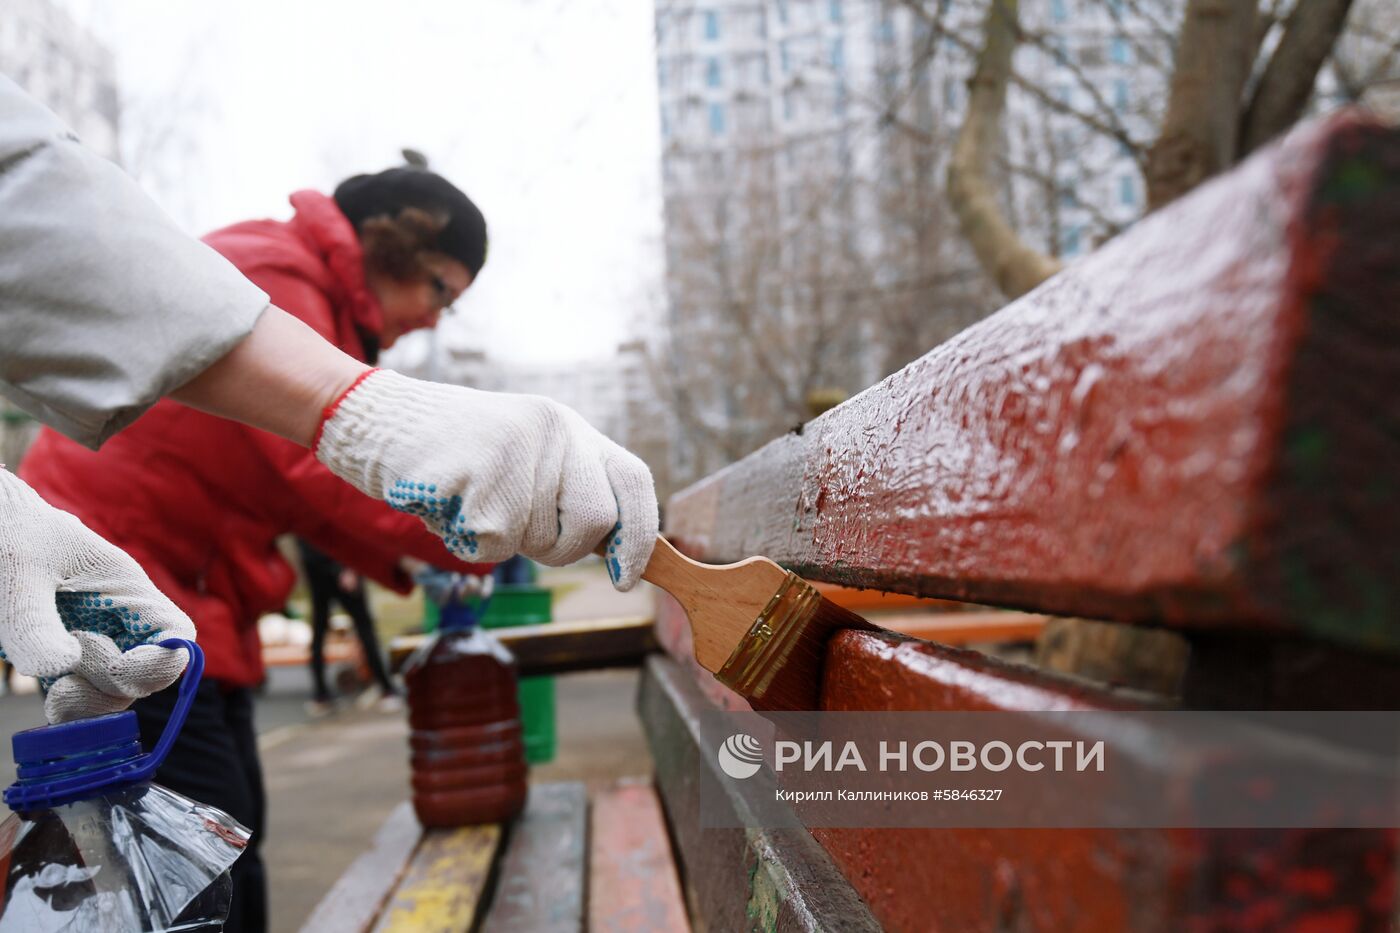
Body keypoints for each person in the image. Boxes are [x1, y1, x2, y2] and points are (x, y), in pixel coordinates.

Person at [2, 77, 658, 931]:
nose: (430, 319)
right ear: (393, 244)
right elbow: (316, 475)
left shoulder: (316, 304)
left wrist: (436, 541)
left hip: (194, 583)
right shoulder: (282, 274)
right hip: (119, 567)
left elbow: (314, 493)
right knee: (195, 840)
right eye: (438, 288)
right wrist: (473, 533)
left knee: (227, 824)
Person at [296, 538, 396, 713]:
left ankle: (386, 688)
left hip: (340, 569)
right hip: (322, 574)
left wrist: (351, 568)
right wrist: (343, 569)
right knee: (321, 631)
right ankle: (321, 693)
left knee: (364, 630)